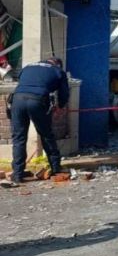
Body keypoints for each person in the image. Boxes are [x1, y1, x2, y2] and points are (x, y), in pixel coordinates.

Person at [8, 57, 69, 185]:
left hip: (17, 100)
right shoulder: (58, 71)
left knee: (19, 138)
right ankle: (56, 169)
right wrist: (61, 105)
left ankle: (18, 174)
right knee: (46, 135)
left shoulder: (28, 67)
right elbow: (64, 93)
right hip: (37, 100)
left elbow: (23, 82)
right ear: (57, 64)